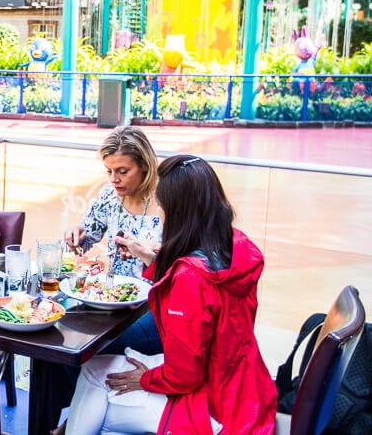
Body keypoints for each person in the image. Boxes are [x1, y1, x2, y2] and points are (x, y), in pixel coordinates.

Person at [62, 155, 277, 435]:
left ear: (178, 212)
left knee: (94, 392)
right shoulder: (236, 244)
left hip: (212, 408)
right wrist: (152, 258)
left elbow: (185, 374)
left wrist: (147, 379)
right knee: (93, 371)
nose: (159, 211)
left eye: (162, 205)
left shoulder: (189, 280)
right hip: (244, 386)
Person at [65, 125, 163, 355]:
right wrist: (76, 235)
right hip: (111, 298)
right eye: (108, 171)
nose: (114, 179)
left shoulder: (166, 200)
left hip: (153, 307)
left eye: (122, 171)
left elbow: (181, 266)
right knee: (60, 337)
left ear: (145, 167)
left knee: (83, 347)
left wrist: (147, 253)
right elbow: (88, 239)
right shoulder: (109, 195)